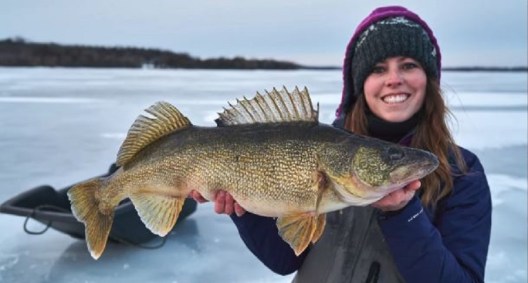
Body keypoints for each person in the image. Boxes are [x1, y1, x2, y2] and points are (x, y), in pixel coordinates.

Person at [190, 5, 492, 283]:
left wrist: (404, 215)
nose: (394, 79)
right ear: (359, 82)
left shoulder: (463, 173)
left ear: (429, 78)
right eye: (378, 69)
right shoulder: (324, 147)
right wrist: (244, 209)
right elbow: (284, 260)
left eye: (409, 65)